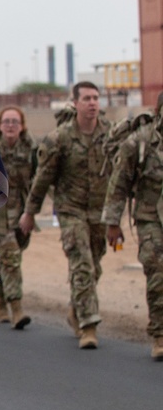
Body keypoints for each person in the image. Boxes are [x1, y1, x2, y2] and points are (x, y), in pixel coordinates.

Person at [20, 82, 111, 349]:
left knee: (94, 267)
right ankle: (88, 326)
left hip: (99, 213)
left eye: (95, 98)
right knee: (82, 264)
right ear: (75, 103)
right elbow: (42, 179)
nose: (92, 103)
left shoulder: (111, 135)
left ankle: (76, 308)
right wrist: (30, 212)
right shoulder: (59, 138)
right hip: (71, 211)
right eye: (86, 98)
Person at [103, 92, 163, 360]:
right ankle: (160, 334)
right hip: (151, 218)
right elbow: (119, 185)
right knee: (158, 272)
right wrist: (113, 223)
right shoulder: (139, 142)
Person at [0, 106, 37, 328]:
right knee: (11, 256)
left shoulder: (31, 150)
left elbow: (40, 180)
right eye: (6, 121)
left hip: (20, 213)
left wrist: (32, 212)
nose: (10, 125)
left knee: (9, 260)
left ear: (22, 126)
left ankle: (1, 299)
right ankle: (17, 308)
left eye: (14, 122)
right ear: (0, 125)